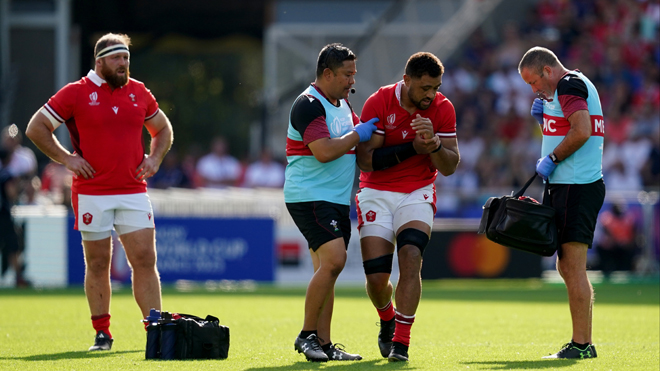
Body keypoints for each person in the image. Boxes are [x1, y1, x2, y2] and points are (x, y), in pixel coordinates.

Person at [25, 33, 173, 351]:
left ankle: (156, 331)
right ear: (100, 61)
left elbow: (163, 129)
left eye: (127, 59)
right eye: (118, 59)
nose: (124, 65)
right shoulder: (75, 93)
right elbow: (36, 127)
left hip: (133, 189)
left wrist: (155, 157)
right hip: (92, 191)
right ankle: (102, 333)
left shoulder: (138, 92)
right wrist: (67, 158)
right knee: (97, 263)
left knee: (146, 259)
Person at [355, 52, 460, 362]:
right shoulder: (379, 102)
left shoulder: (443, 109)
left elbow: (451, 166)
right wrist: (411, 148)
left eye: (436, 88)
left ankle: (401, 342)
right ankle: (387, 317)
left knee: (411, 255)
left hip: (418, 191)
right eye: (425, 88)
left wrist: (435, 145)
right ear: (407, 81)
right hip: (376, 191)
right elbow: (365, 161)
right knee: (377, 279)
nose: (431, 95)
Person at [284, 43, 378, 362]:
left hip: (334, 199)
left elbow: (354, 146)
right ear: (328, 73)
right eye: (347, 74)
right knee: (335, 261)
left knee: (328, 269)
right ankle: (306, 335)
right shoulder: (308, 103)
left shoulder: (341, 104)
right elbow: (323, 151)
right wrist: (359, 134)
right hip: (309, 195)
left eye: (354, 73)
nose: (353, 80)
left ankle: (323, 344)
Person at [518, 46, 605, 359]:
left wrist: (552, 158)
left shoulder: (569, 84)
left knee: (572, 265)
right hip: (568, 185)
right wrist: (546, 122)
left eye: (533, 82)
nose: (534, 89)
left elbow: (582, 131)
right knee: (567, 265)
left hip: (576, 185)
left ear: (546, 70)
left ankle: (582, 344)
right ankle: (581, 342)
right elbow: (568, 128)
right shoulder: (564, 90)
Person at [0, 147, 30, 288]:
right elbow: (11, 194)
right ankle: (18, 277)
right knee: (13, 246)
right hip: (4, 215)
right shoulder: (6, 175)